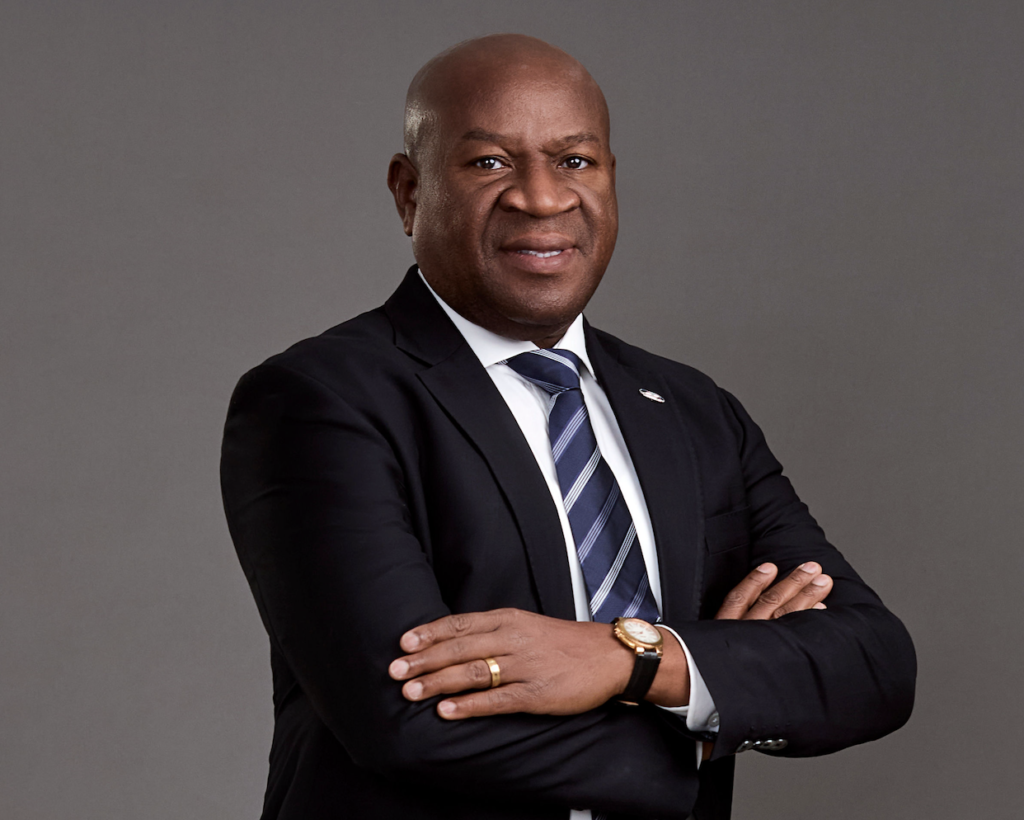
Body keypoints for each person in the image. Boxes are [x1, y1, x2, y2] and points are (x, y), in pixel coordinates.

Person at [220, 33, 915, 820]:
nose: (542, 198)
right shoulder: (320, 400)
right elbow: (410, 721)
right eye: (490, 162)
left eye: (575, 161)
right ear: (410, 193)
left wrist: (628, 658)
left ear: (611, 178)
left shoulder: (693, 411)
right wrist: (707, 714)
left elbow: (873, 665)